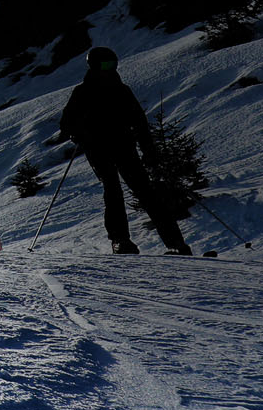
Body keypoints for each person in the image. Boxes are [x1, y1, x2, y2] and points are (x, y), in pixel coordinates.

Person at [58, 46, 191, 255]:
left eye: (113, 64)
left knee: (145, 191)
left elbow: (140, 122)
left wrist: (149, 150)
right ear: (94, 66)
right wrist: (80, 133)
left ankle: (175, 243)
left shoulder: (121, 90)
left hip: (123, 146)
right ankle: (120, 240)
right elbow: (66, 124)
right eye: (105, 65)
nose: (110, 69)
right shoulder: (82, 92)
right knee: (114, 191)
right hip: (98, 149)